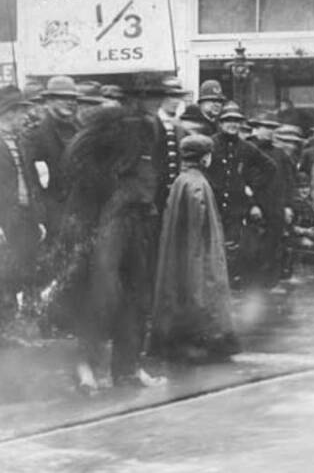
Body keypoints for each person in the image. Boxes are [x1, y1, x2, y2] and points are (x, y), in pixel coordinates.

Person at [61, 106, 165, 391]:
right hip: (105, 227)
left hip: (127, 225)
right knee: (105, 296)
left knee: (127, 297)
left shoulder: (108, 142)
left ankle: (119, 369)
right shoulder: (115, 144)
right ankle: (97, 368)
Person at [150, 134, 240, 364]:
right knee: (202, 288)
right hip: (198, 249)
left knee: (179, 288)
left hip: (179, 250)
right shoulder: (199, 183)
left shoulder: (181, 180)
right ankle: (205, 342)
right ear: (205, 158)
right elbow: (199, 224)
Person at [0, 86, 45, 327]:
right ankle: (5, 331)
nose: (23, 117)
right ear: (6, 114)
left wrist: (38, 219)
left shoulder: (20, 142)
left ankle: (19, 328)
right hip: (2, 222)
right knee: (3, 275)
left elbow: (31, 181)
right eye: (18, 112)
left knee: (24, 269)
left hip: (24, 219)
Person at [207, 103, 276, 281]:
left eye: (236, 121)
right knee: (212, 243)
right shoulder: (211, 144)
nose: (233, 124)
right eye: (228, 120)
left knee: (233, 245)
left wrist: (252, 186)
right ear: (221, 123)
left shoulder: (246, 148)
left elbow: (270, 167)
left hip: (236, 206)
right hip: (213, 203)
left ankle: (229, 281)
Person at [23, 75, 81, 246]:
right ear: (48, 101)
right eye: (63, 98)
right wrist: (41, 217)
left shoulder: (79, 129)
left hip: (79, 206)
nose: (70, 102)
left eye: (73, 98)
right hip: (53, 211)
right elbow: (33, 181)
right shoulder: (36, 135)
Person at [247, 114, 294, 289]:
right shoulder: (249, 150)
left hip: (277, 207)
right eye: (264, 127)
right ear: (256, 128)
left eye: (271, 128)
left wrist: (288, 206)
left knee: (275, 245)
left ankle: (271, 284)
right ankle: (254, 284)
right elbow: (242, 181)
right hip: (256, 208)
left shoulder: (280, 154)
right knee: (254, 246)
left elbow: (289, 182)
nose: (268, 132)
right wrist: (251, 204)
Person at [151, 77, 190, 214]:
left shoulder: (180, 127)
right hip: (154, 194)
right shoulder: (151, 124)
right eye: (171, 96)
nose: (175, 101)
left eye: (178, 97)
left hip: (176, 192)